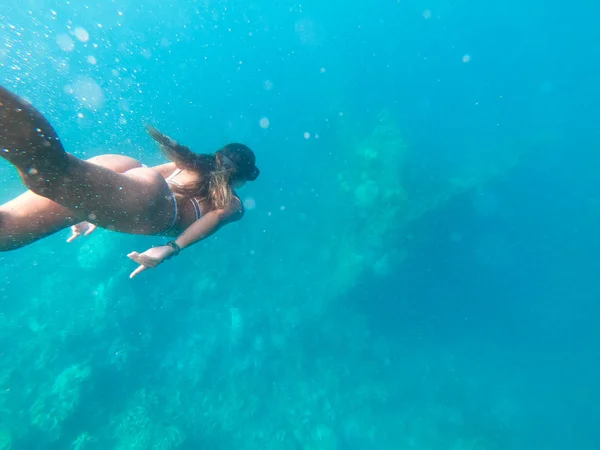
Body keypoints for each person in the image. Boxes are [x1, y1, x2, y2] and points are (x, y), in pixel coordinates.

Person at [0, 85, 259, 278]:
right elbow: (213, 219)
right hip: (149, 202)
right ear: (244, 178)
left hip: (130, 173)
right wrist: (171, 248)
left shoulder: (190, 166)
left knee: (7, 229)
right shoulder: (233, 203)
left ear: (216, 157)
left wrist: (89, 211)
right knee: (49, 170)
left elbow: (145, 176)